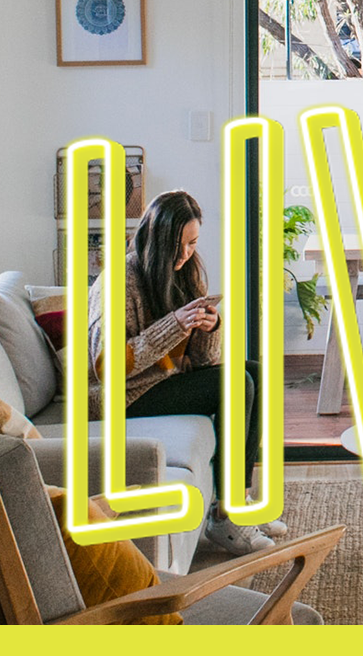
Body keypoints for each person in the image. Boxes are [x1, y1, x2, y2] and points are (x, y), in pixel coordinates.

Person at [87, 189, 286, 555]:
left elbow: (205, 363)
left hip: (162, 383)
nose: (185, 254)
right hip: (120, 397)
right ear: (155, 240)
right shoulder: (119, 280)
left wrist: (210, 328)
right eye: (177, 246)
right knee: (236, 383)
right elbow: (106, 367)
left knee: (258, 374)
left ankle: (238, 501)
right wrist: (174, 325)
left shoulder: (187, 272)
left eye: (192, 243)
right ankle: (225, 516)